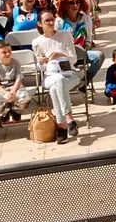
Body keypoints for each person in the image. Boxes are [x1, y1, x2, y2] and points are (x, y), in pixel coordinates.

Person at [32, 11, 81, 143]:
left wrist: (61, 54)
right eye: (47, 20)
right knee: (57, 81)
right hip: (50, 75)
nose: (51, 22)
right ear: (40, 24)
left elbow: (74, 59)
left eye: (52, 19)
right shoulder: (37, 42)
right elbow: (40, 68)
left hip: (68, 74)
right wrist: (43, 61)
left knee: (55, 88)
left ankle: (62, 126)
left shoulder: (65, 35)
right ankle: (69, 119)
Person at [0, 40, 32, 123]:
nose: (8, 54)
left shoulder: (16, 63)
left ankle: (15, 110)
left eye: (9, 51)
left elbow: (18, 79)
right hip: (1, 88)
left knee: (25, 99)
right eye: (4, 52)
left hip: (14, 86)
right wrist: (5, 93)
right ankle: (5, 112)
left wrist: (13, 92)